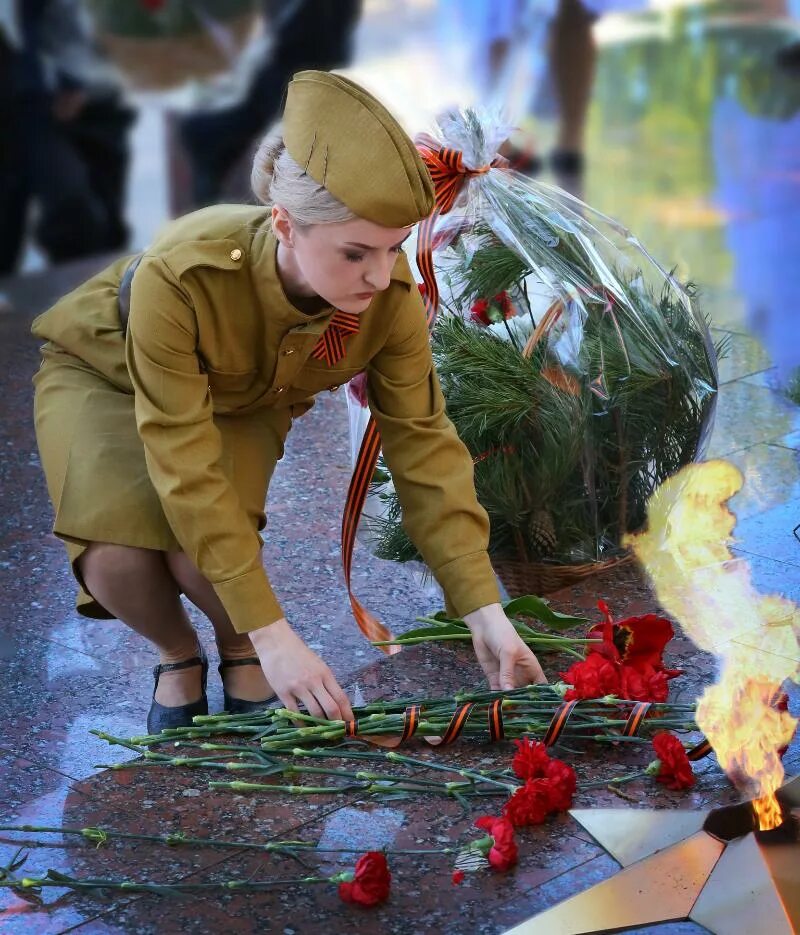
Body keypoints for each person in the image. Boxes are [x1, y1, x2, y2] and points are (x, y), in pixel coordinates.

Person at [31, 70, 547, 736]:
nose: (379, 274)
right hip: (105, 374)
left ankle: (237, 644)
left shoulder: (386, 299)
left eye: (392, 248)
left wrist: (485, 612)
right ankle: (177, 654)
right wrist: (280, 636)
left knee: (201, 553)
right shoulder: (184, 274)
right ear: (285, 224)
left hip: (241, 398)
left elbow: (424, 443)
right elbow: (181, 456)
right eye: (355, 251)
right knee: (117, 558)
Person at [0, 0, 134, 274]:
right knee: (70, 203)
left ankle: (94, 289)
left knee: (106, 216)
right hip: (44, 100)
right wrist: (65, 82)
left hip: (105, 97)